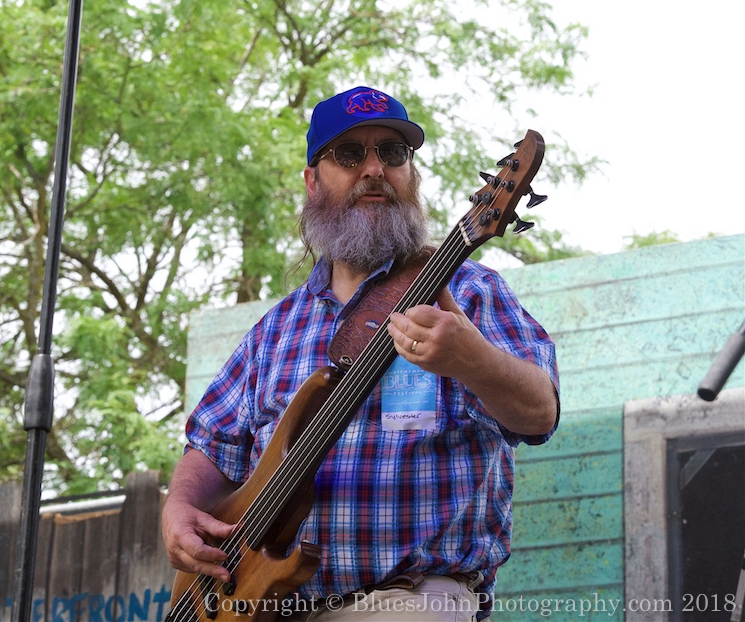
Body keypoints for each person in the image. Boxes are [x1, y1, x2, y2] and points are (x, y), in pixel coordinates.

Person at [162, 86, 559, 621]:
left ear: (411, 175)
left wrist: (472, 360)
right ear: (311, 180)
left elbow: (540, 413)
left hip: (408, 599)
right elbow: (212, 444)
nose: (374, 168)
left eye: (392, 153)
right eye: (350, 155)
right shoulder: (274, 331)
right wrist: (180, 509)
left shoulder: (469, 293)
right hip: (260, 605)